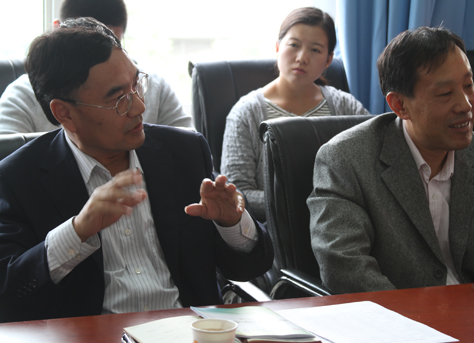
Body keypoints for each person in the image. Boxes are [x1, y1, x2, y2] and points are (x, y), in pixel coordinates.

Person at [0, 18, 273, 323]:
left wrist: (231, 222)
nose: (139, 106)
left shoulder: (184, 152)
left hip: (190, 337)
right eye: (119, 99)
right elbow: (8, 294)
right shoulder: (18, 178)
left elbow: (251, 268)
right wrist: (78, 231)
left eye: (137, 84)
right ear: (64, 113)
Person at [307, 26, 474, 294]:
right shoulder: (346, 161)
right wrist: (417, 317)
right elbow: (345, 269)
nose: (466, 105)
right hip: (394, 315)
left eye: (468, 85)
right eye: (445, 93)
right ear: (400, 105)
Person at [221, 7, 370, 222]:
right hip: (274, 230)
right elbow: (238, 193)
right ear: (277, 47)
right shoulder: (246, 112)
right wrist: (310, 205)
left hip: (341, 224)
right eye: (294, 45)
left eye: (315, 50)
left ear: (328, 60)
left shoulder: (346, 106)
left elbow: (371, 171)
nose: (302, 58)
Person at [0, 0, 192, 135]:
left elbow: (187, 150)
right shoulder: (21, 99)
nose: (139, 108)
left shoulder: (154, 86)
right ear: (57, 31)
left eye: (111, 43)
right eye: (84, 50)